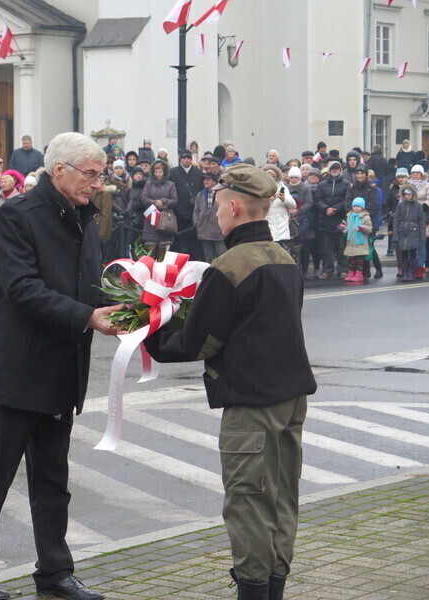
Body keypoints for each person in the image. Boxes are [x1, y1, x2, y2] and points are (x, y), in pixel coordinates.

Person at [0, 132, 120, 600]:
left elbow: (86, 287)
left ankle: (55, 572)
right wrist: (87, 317)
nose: (97, 184)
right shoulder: (18, 215)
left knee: (53, 481)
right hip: (19, 369)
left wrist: (131, 305)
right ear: (59, 169)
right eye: (91, 174)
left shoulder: (85, 217)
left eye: (101, 175)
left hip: (63, 367)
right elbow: (22, 288)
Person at [143, 163, 316, 600]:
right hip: (290, 399)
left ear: (234, 207)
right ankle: (274, 587)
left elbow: (199, 342)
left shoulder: (229, 266)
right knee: (280, 500)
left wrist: (150, 330)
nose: (216, 213)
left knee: (248, 504)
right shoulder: (285, 259)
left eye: (218, 206)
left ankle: (254, 589)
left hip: (251, 404)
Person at [315, 161, 350, 278]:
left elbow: (347, 200)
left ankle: (343, 269)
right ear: (329, 170)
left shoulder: (346, 184)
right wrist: (326, 209)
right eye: (333, 168)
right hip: (325, 220)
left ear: (340, 170)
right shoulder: (321, 184)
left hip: (340, 219)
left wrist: (336, 209)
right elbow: (317, 200)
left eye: (337, 168)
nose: (335, 170)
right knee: (326, 248)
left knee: (341, 248)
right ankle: (327, 270)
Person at [170, 148, 204, 259]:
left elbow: (202, 191)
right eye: (184, 158)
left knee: (193, 242)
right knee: (179, 243)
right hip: (177, 212)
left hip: (194, 212)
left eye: (188, 158)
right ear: (180, 159)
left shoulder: (198, 173)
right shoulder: (173, 173)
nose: (186, 160)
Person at [394, 184, 427, 282]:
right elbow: (396, 220)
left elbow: (421, 222)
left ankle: (411, 273)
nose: (407, 196)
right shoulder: (400, 205)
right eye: (405, 194)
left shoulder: (418, 206)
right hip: (402, 232)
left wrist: (422, 237)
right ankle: (405, 272)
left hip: (413, 232)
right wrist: (396, 236)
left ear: (413, 195)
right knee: (404, 254)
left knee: (413, 254)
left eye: (409, 194)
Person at [192, 171, 226, 262]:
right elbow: (196, 210)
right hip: (204, 230)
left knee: (222, 257)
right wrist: (197, 222)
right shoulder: (200, 194)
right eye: (204, 179)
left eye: (208, 179)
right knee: (208, 257)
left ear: (214, 181)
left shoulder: (221, 193)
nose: (205, 181)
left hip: (219, 230)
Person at [343, 197, 372, 284]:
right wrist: (343, 227)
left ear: (362, 207)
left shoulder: (365, 217)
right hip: (351, 243)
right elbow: (347, 228)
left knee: (359, 260)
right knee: (351, 260)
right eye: (354, 206)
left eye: (358, 206)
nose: (356, 208)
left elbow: (369, 229)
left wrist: (363, 228)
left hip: (360, 243)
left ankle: (359, 275)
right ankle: (351, 273)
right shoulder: (349, 216)